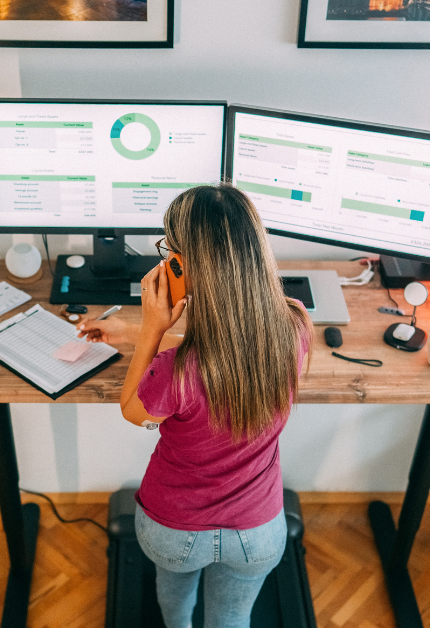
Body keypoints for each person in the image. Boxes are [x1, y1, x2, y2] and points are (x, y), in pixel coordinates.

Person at [77, 184, 312, 628]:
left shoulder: (175, 371)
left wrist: (151, 327)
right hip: (258, 531)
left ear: (184, 265)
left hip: (174, 531)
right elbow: (227, 349)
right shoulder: (295, 323)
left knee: (175, 611)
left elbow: (132, 409)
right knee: (233, 621)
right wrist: (132, 334)